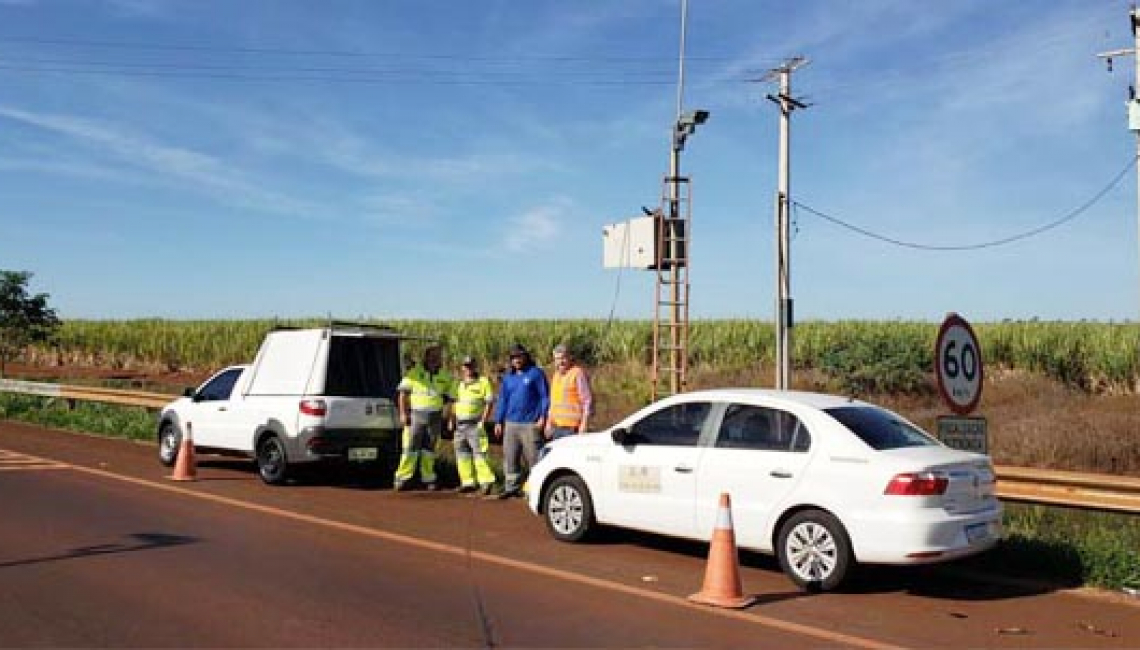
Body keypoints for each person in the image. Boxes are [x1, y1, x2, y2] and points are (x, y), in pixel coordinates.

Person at [394, 345, 454, 491]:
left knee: (429, 448)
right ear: (426, 357)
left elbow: (452, 397)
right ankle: (403, 478)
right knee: (411, 447)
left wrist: (449, 415)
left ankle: (428, 477)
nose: (435, 359)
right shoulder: (414, 373)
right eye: (432, 356)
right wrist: (403, 413)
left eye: (438, 357)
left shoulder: (445, 376)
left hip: (435, 417)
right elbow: (402, 395)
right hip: (416, 415)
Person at [493, 343, 548, 499]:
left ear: (525, 357)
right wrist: (498, 420)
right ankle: (511, 487)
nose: (516, 360)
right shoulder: (508, 378)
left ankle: (535, 489)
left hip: (530, 423)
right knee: (510, 457)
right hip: (511, 423)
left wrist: (543, 416)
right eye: (513, 357)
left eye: (519, 357)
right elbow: (503, 399)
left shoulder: (536, 374)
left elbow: (544, 396)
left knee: (534, 457)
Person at [450, 355, 496, 496]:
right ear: (462, 368)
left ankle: (486, 482)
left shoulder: (482, 382)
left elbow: (489, 402)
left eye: (470, 365)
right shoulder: (458, 383)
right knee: (462, 454)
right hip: (459, 425)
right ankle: (468, 482)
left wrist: (483, 420)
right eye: (466, 366)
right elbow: (453, 403)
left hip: (475, 424)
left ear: (475, 366)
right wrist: (451, 420)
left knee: (479, 454)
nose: (468, 368)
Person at [546, 343, 593, 442]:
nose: (561, 362)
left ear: (569, 358)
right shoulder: (556, 376)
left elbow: (587, 400)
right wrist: (548, 423)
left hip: (572, 428)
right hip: (557, 427)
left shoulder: (577, 373)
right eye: (557, 359)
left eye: (563, 358)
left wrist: (584, 424)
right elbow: (553, 403)